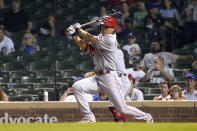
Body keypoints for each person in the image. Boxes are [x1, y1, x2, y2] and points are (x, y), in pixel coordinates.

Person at [67, 16, 153, 123]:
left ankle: (146, 117)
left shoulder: (110, 39)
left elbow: (90, 38)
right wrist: (74, 34)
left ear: (113, 29)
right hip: (98, 77)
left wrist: (79, 29)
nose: (104, 29)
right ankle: (88, 117)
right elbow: (84, 46)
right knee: (77, 86)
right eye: (103, 26)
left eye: (107, 27)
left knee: (122, 108)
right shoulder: (100, 39)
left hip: (110, 78)